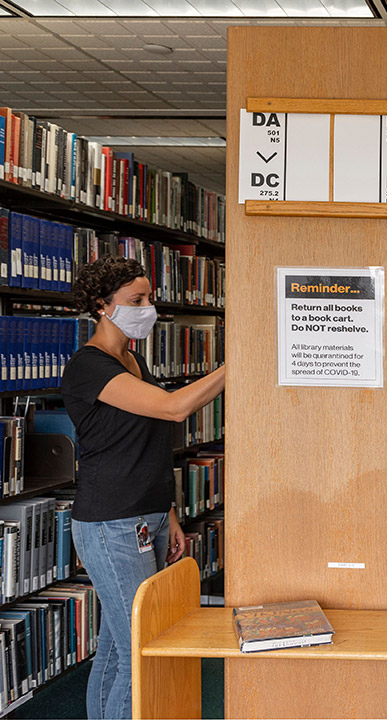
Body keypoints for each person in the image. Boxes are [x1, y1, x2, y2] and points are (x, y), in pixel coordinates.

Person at [61, 256, 225, 720]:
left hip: (145, 514)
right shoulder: (88, 367)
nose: (148, 307)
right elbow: (173, 410)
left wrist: (166, 510)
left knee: (117, 644)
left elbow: (145, 443)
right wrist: (235, 367)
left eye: (149, 297)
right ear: (102, 306)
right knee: (141, 646)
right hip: (111, 521)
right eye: (137, 300)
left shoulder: (133, 357)